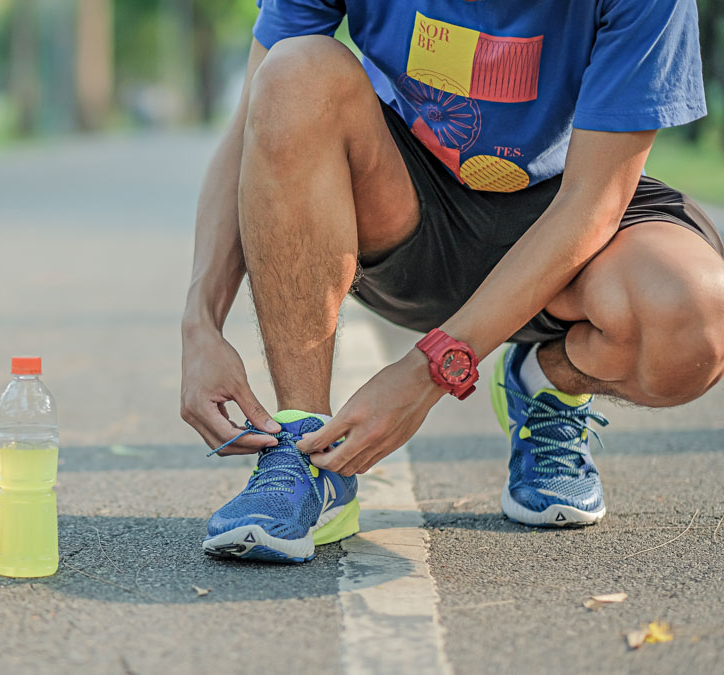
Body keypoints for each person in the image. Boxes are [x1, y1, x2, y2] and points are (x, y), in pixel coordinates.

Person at [182, 0, 724, 563]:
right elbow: (252, 125)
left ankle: (547, 383)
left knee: (696, 321)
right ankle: (306, 451)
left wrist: (428, 372)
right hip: (403, 212)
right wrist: (200, 323)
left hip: (567, 219)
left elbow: (592, 203)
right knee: (294, 71)